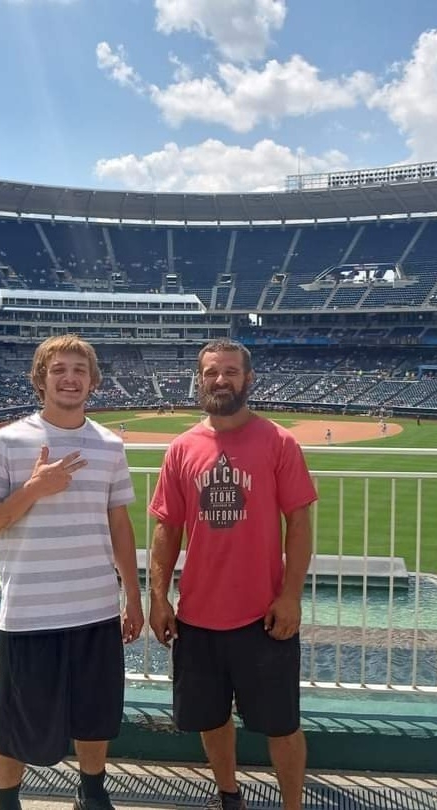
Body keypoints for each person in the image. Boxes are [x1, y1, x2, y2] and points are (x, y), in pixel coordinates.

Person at [149, 339, 317, 810]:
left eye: (230, 372)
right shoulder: (182, 448)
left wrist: (291, 596)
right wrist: (158, 596)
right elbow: (167, 527)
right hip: (198, 615)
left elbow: (299, 524)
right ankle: (228, 796)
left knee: (282, 724)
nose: (220, 380)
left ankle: (292, 805)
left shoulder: (279, 442)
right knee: (210, 717)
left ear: (248, 379)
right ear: (199, 379)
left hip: (262, 614)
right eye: (210, 372)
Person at [0, 335, 144, 810]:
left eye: (79, 370)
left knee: (96, 715)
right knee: (15, 722)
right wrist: (35, 489)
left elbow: (119, 523)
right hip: (28, 614)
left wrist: (134, 597)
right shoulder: (8, 442)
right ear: (41, 379)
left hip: (96, 609)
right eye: (59, 369)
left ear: (93, 381)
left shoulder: (108, 445)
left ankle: (93, 792)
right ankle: (7, 799)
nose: (70, 377)